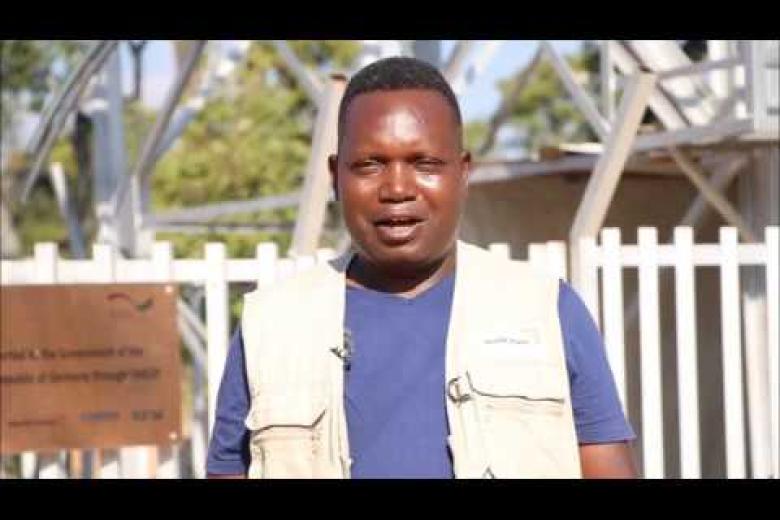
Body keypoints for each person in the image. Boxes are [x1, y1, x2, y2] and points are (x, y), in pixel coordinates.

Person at [206, 56, 636, 479]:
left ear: (462, 173)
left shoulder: (546, 311)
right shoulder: (273, 326)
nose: (396, 188)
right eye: (370, 165)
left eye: (424, 164)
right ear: (336, 176)